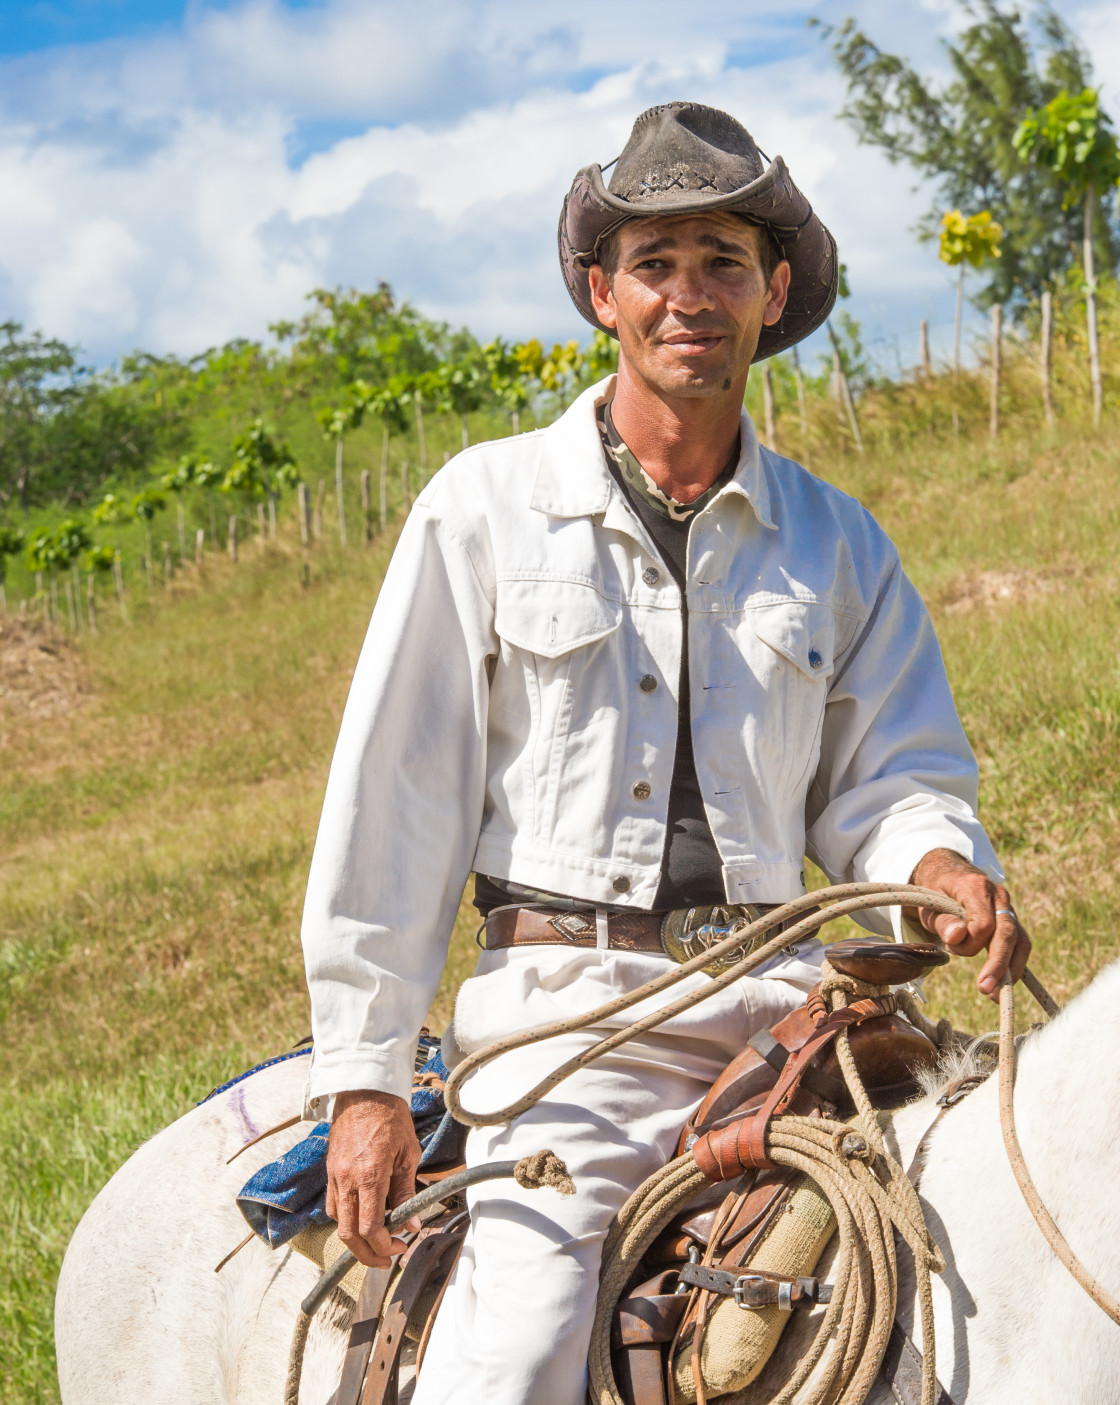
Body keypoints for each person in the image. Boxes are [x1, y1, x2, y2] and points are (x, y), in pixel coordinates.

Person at [300, 101, 1030, 1404]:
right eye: (657, 261)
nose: (689, 293)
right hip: (567, 1036)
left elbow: (896, 771)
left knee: (972, 1284)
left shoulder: (840, 546)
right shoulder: (483, 511)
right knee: (515, 1355)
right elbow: (395, 804)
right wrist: (363, 1082)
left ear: (775, 291)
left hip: (789, 1031)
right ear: (603, 294)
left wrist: (938, 857)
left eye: (723, 262)